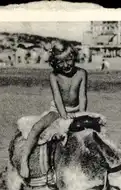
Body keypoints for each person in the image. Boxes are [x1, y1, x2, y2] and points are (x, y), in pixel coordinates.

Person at [20, 41, 88, 179]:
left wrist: (81, 114)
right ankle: (24, 160)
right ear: (54, 62)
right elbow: (57, 97)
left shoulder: (81, 73)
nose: (66, 65)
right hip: (57, 109)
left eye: (69, 60)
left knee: (92, 132)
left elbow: (82, 96)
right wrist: (63, 116)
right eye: (60, 62)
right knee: (36, 127)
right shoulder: (54, 76)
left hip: (76, 110)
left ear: (74, 56)